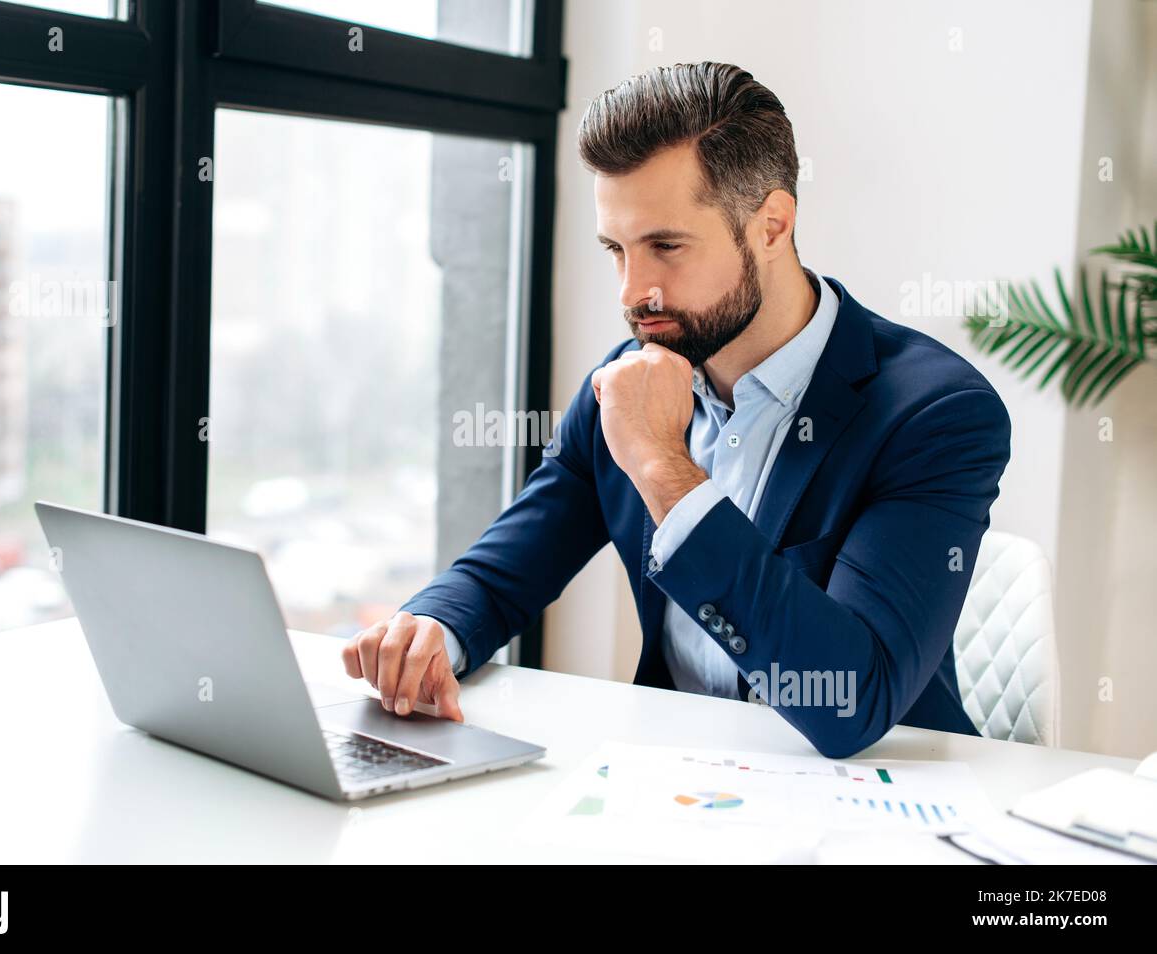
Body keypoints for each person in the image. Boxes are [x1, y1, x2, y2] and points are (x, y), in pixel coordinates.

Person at [340, 62, 1011, 759]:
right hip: (685, 783)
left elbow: (850, 699)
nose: (634, 294)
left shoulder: (934, 414)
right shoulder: (623, 381)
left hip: (885, 804)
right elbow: (501, 574)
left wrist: (664, 465)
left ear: (772, 226)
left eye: (666, 247)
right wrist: (427, 632)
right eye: (616, 251)